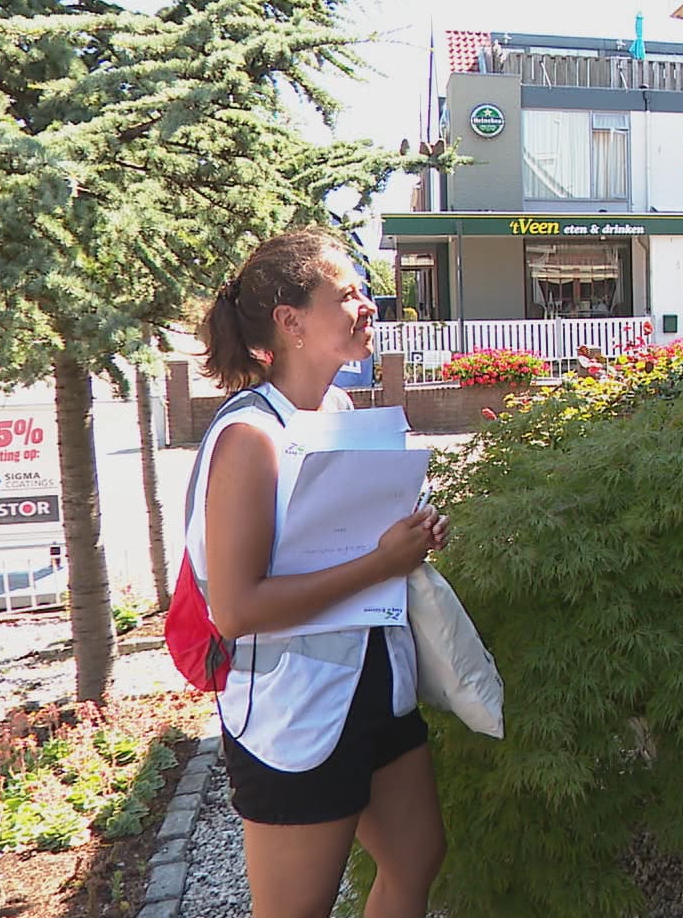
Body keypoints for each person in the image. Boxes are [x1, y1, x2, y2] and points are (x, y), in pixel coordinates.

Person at [194, 228, 448, 917]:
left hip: (375, 684)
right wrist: (381, 561)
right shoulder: (251, 437)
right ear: (291, 321)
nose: (369, 304)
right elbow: (237, 610)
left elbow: (348, 543)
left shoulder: (337, 413)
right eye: (347, 294)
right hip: (295, 715)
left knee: (417, 857)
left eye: (366, 291)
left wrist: (412, 536)